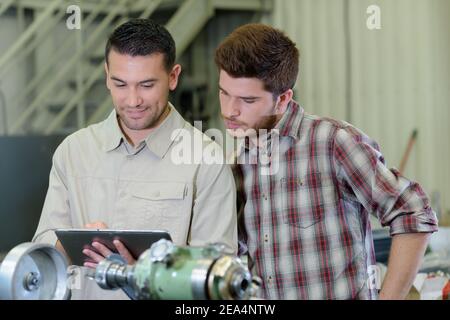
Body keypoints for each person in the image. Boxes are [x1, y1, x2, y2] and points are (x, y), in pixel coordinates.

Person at [214, 23, 438, 300]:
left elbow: (412, 212)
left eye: (247, 100)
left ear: (282, 99)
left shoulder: (333, 143)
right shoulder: (239, 162)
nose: (229, 111)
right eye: (224, 93)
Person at [33, 19, 237, 299]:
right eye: (120, 84)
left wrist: (147, 274)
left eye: (146, 85)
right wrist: (68, 243)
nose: (132, 100)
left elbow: (217, 277)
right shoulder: (73, 151)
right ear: (106, 75)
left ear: (173, 77)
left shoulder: (206, 160)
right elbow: (41, 253)